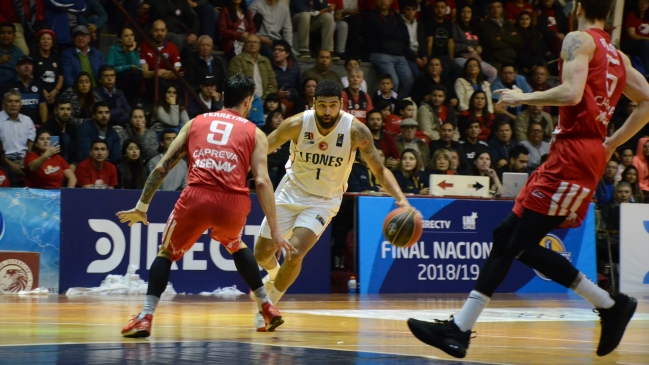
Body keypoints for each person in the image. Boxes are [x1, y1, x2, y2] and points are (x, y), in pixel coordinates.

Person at [409, 0, 638, 358]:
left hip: (575, 153)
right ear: (609, 12)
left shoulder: (579, 39)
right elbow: (647, 100)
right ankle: (459, 330)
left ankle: (609, 304)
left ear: (578, 5)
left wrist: (523, 97)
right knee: (505, 237)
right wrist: (612, 142)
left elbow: (572, 92)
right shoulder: (618, 57)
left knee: (520, 243)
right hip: (579, 150)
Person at [118, 73, 291, 337]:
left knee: (166, 252)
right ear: (247, 102)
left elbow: (163, 165)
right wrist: (276, 230)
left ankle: (145, 316)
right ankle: (266, 304)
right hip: (234, 201)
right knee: (235, 243)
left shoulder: (195, 122)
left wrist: (142, 205)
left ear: (222, 97)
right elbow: (263, 182)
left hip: (198, 196)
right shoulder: (256, 133)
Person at [250, 80, 413, 331]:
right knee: (261, 254)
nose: (327, 111)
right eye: (322, 105)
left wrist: (401, 198)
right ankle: (273, 274)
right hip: (290, 192)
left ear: (341, 105)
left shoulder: (356, 131)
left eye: (333, 106)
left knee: (295, 252)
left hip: (323, 201)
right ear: (313, 103)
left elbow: (379, 169)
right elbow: (261, 150)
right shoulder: (296, 124)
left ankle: (268, 308)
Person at [364, 0, 415, 98]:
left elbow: (403, 34)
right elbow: (381, 31)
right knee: (393, 82)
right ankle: (387, 107)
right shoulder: (371, 15)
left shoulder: (395, 15)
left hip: (398, 54)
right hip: (380, 53)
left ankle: (399, 105)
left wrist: (388, 34)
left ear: (391, 1)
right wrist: (392, 33)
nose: (383, 1)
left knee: (409, 81)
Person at [452, 5, 497, 83]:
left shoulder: (475, 27)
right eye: (463, 12)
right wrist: (466, 47)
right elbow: (452, 45)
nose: (466, 14)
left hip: (475, 57)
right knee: (472, 70)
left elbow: (479, 42)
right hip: (461, 57)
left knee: (493, 72)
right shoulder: (455, 27)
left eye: (468, 12)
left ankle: (484, 92)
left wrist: (479, 46)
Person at [0, 55, 48, 125]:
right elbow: (3, 108)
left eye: (29, 64)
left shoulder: (38, 85)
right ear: (16, 68)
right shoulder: (7, 86)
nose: (27, 66)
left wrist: (44, 125)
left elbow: (43, 107)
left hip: (34, 126)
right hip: (13, 126)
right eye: (23, 64)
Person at [229, 35, 278, 100]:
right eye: (249, 42)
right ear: (245, 45)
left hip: (265, 100)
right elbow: (236, 83)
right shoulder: (237, 60)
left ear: (259, 46)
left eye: (255, 42)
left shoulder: (266, 61)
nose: (252, 44)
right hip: (244, 100)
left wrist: (265, 98)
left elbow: (273, 83)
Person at [478, 0, 520, 72]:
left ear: (502, 9)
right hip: (495, 61)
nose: (496, 10)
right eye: (492, 7)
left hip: (511, 59)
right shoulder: (485, 25)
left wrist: (501, 37)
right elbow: (492, 43)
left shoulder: (508, 24)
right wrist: (509, 38)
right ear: (488, 10)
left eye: (498, 7)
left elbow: (517, 40)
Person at [0, 90, 35, 175]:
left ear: (21, 104)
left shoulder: (27, 120)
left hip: (24, 160)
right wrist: (10, 164)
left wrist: (27, 161)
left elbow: (30, 147)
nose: (13, 104)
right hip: (3, 160)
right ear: (4, 104)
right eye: (10, 101)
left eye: (17, 101)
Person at [106, 27, 142, 107]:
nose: (130, 38)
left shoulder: (135, 50)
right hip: (118, 78)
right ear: (120, 38)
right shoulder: (113, 49)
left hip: (131, 81)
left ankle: (132, 105)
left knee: (137, 77)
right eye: (126, 36)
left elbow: (138, 68)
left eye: (132, 35)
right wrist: (128, 67)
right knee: (124, 74)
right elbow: (109, 69)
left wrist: (131, 51)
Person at [32, 29, 64, 107]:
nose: (46, 41)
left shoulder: (57, 58)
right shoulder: (33, 58)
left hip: (55, 92)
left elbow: (61, 77)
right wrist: (42, 91)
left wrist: (55, 91)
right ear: (39, 43)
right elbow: (31, 77)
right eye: (43, 39)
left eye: (49, 39)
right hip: (38, 90)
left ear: (52, 43)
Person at [42, 98, 78, 164]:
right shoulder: (47, 128)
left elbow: (77, 151)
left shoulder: (73, 128)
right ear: (55, 111)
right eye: (62, 109)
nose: (65, 112)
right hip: (52, 165)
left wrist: (74, 164)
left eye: (68, 109)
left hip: (70, 166)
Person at [514, 11, 548, 76]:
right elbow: (518, 54)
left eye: (527, 19)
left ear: (530, 20)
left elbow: (540, 51)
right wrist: (530, 65)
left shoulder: (536, 33)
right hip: (521, 65)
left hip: (536, 64)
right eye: (522, 19)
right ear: (518, 21)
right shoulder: (514, 34)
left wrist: (534, 65)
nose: (524, 21)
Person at [401, 0, 429, 79]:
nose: (410, 12)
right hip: (407, 55)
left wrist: (424, 56)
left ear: (416, 10)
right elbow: (402, 44)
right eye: (408, 9)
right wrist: (415, 58)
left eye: (413, 10)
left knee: (434, 70)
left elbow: (423, 41)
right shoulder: (400, 23)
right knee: (417, 74)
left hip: (419, 54)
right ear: (403, 10)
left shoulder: (419, 23)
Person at [621, 0, 649, 77]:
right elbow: (632, 35)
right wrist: (647, 39)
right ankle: (647, 72)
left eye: (646, 2)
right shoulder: (632, 15)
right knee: (644, 44)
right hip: (629, 43)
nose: (643, 5)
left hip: (645, 45)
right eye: (640, 2)